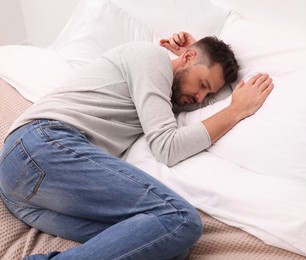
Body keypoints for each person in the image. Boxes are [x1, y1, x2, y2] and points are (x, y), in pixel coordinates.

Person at [0, 32, 273, 260]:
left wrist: (219, 91)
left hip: (25, 194)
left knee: (172, 246)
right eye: (201, 84)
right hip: (41, 146)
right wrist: (236, 111)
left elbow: (218, 97)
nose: (200, 97)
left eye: (207, 92)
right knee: (180, 219)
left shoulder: (166, 97)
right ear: (188, 57)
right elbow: (167, 147)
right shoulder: (150, 57)